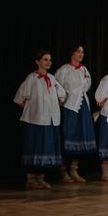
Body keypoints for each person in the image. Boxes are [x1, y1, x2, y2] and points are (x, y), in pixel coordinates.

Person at [13, 50, 66, 190]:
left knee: (45, 149)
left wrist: (55, 104)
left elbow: (62, 95)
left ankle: (41, 178)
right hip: (35, 121)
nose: (48, 62)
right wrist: (32, 109)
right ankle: (30, 179)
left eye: (50, 60)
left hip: (49, 120)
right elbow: (19, 99)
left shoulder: (52, 78)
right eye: (45, 59)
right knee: (34, 148)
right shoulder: (32, 78)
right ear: (38, 62)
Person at [55, 45, 96, 182]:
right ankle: (63, 171)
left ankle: (74, 170)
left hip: (82, 105)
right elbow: (58, 86)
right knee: (68, 136)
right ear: (72, 53)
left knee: (80, 136)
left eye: (82, 52)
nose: (81, 54)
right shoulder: (64, 70)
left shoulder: (84, 69)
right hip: (69, 106)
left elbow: (87, 85)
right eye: (78, 51)